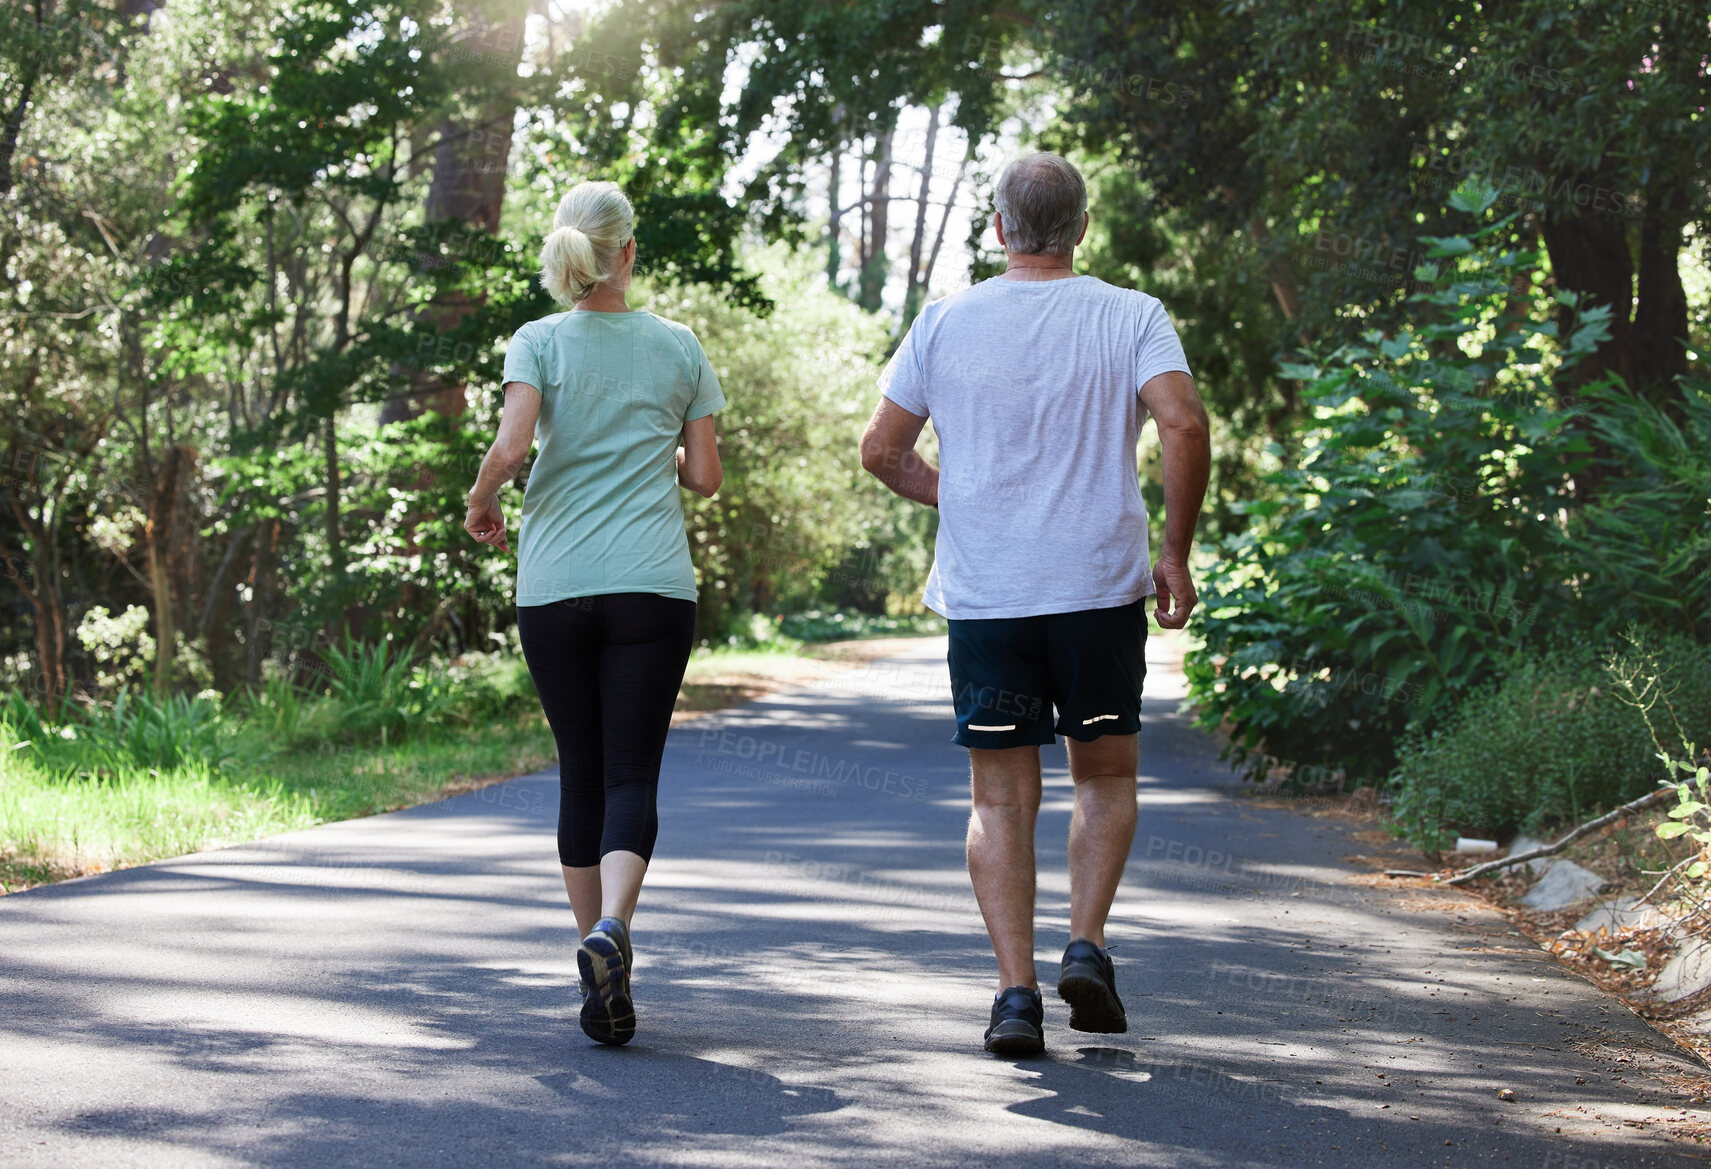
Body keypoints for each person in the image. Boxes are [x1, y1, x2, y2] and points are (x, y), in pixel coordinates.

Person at [859, 152, 1211, 1056]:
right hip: (1096, 589)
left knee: (1000, 798)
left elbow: (880, 451)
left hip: (990, 596)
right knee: (1104, 775)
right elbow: (1183, 421)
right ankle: (1084, 942)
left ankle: (1014, 996)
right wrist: (1172, 550)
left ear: (999, 228)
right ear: (1081, 227)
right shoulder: (1131, 315)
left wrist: (966, 495)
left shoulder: (943, 321)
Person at [464, 180, 725, 1046]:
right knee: (630, 772)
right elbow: (704, 476)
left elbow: (511, 445)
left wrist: (481, 501)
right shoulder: (679, 346)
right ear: (629, 253)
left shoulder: (536, 340)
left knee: (580, 768)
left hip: (555, 585)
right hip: (652, 585)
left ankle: (591, 953)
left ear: (567, 252)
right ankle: (615, 925)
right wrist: (653, 450)